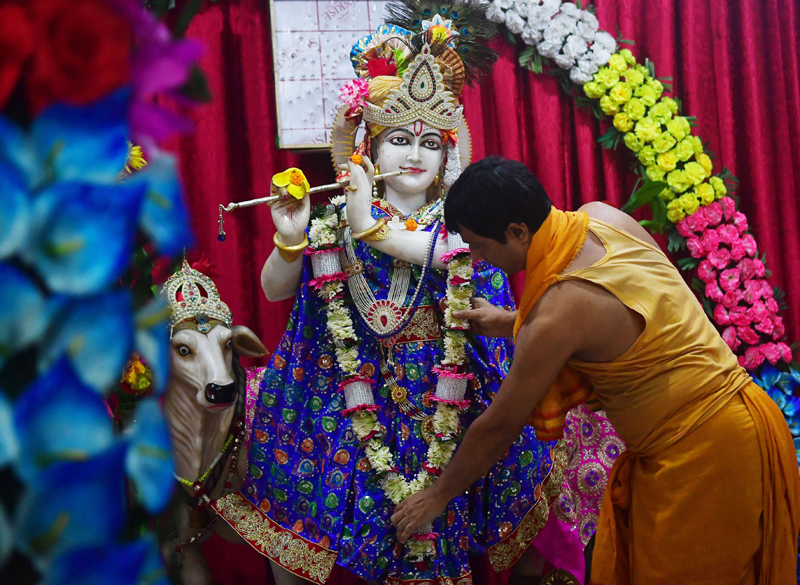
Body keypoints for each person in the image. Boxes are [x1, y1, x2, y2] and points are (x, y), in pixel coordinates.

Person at [211, 8, 618, 585]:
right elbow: (276, 291)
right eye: (399, 139)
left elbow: (447, 259)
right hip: (344, 398)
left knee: (457, 516)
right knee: (324, 532)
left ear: (448, 154)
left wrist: (367, 225)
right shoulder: (335, 220)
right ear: (369, 148)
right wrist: (291, 234)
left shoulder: (461, 225)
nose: (415, 155)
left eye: (431, 142)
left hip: (442, 395)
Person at [391, 156, 800, 583]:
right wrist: (512, 322)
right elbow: (632, 310)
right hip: (744, 416)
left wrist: (437, 496)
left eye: (480, 246)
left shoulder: (554, 313)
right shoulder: (603, 217)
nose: (478, 258)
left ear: (517, 231)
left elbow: (499, 425)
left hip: (705, 454)